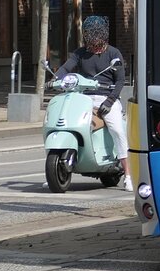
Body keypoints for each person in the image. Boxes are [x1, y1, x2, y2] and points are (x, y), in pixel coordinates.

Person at [55, 15, 131, 191]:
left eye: (96, 33)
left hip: (107, 98)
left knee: (117, 130)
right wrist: (55, 78)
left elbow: (120, 81)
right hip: (84, 98)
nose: (92, 37)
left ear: (103, 34)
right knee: (68, 123)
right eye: (89, 33)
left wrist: (110, 101)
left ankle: (128, 175)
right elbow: (66, 68)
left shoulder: (113, 53)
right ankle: (58, 169)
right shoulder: (80, 53)